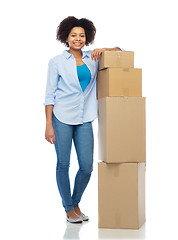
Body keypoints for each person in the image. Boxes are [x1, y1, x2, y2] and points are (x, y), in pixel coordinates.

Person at [44, 16, 123, 223]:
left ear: (87, 38)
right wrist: (48, 125)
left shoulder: (92, 58)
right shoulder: (57, 62)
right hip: (61, 117)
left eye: (82, 35)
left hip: (84, 117)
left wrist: (104, 49)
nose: (77, 39)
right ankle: (69, 208)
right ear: (66, 37)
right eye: (73, 35)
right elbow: (49, 95)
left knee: (86, 166)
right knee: (63, 163)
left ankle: (75, 203)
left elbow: (120, 53)